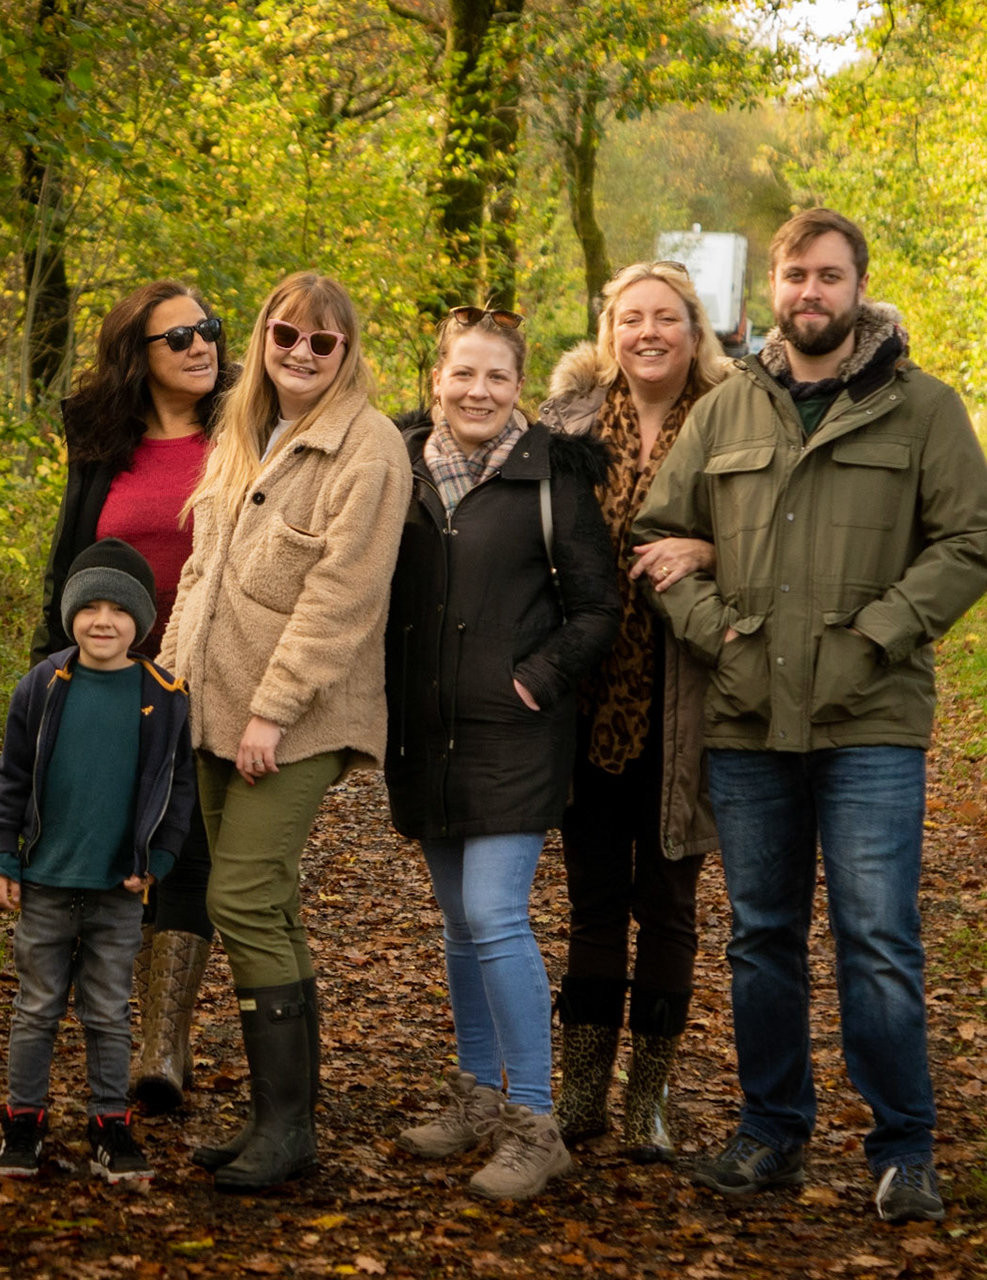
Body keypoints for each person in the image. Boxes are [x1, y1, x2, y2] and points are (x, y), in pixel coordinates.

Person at [632, 208, 987, 1223]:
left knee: (876, 933)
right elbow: (660, 530)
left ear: (858, 288)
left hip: (869, 713)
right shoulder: (727, 411)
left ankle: (905, 1147)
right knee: (761, 934)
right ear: (774, 290)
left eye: (829, 276)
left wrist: (882, 630)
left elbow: (973, 538)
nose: (810, 292)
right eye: (795, 274)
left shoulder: (923, 408)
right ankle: (770, 1134)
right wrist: (718, 630)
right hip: (748, 715)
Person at [159, 273, 410, 1192]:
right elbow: (202, 568)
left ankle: (285, 1127)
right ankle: (286, 1119)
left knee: (243, 899)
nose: (301, 352)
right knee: (267, 904)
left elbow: (344, 594)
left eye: (323, 342)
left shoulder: (369, 448)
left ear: (348, 353)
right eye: (286, 334)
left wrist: (275, 706)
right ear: (262, 336)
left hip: (290, 720)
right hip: (210, 702)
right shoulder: (242, 428)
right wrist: (170, 677)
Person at [384, 307, 621, 1201]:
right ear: (435, 379)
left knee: (493, 914)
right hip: (425, 733)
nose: (478, 392)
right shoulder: (398, 468)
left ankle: (535, 1121)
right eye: (462, 375)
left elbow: (597, 609)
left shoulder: (553, 473)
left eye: (496, 378)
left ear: (519, 387)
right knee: (458, 923)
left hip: (516, 735)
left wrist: (534, 680)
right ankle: (478, 1095)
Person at [538, 262, 731, 1160]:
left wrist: (710, 548)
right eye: (631, 318)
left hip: (691, 696)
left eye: (666, 318)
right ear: (608, 332)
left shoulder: (736, 419)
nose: (647, 333)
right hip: (587, 697)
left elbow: (775, 532)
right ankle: (580, 1092)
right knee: (593, 901)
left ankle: (647, 1098)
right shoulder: (566, 424)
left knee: (671, 902)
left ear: (696, 331)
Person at [32, 280, 233, 1114]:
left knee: (191, 851)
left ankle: (163, 1046)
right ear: (138, 358)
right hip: (117, 683)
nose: (199, 345)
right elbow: (69, 564)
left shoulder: (247, 438)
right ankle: (113, 1028)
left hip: (216, 679)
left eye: (208, 329)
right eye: (176, 337)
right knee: (119, 854)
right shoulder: (100, 446)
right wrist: (55, 673)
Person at [0, 539, 195, 1182]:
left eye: (119, 609)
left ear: (141, 622)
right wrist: (2, 856)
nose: (103, 621)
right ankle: (25, 1121)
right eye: (90, 607)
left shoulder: (164, 695)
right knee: (37, 1006)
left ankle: (110, 1123)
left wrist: (157, 859)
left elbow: (178, 786)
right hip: (47, 882)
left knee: (107, 1009)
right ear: (71, 613)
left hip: (118, 888)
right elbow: (13, 774)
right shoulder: (44, 686)